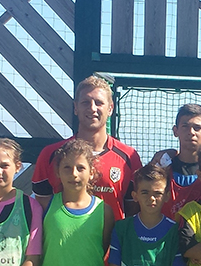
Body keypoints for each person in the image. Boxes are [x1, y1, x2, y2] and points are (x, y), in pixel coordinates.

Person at [32, 75, 141, 220]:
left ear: (110, 108)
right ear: (76, 107)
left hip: (110, 242)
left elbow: (133, 213)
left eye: (99, 103)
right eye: (85, 102)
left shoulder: (129, 157)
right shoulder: (51, 154)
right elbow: (40, 211)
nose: (92, 108)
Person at [148, 104, 201, 218]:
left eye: (197, 128)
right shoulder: (162, 167)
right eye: (185, 126)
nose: (191, 132)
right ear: (175, 131)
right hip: (166, 234)